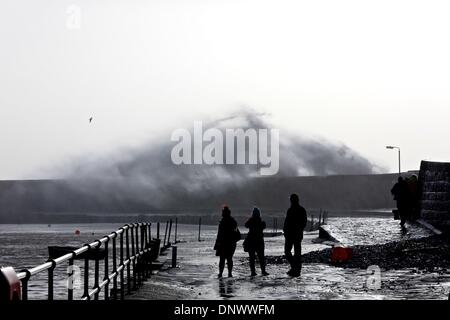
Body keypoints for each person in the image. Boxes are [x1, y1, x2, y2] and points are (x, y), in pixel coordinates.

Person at [283, 193, 307, 277]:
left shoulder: (291, 210)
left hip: (291, 234)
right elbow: (304, 223)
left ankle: (295, 268)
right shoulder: (301, 210)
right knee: (297, 253)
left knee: (288, 252)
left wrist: (286, 231)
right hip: (296, 234)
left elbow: (287, 222)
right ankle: (296, 269)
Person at [214, 206, 239, 278]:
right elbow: (236, 232)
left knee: (222, 259)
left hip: (223, 243)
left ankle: (220, 273)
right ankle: (230, 273)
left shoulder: (222, 222)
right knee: (229, 258)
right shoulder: (233, 222)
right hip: (231, 243)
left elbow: (219, 234)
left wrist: (217, 243)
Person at [244, 207, 269, 277]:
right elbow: (264, 226)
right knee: (261, 257)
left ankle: (253, 272)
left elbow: (246, 225)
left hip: (251, 240)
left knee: (252, 258)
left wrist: (250, 219)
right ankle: (263, 271)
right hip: (259, 241)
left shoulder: (251, 221)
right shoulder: (261, 222)